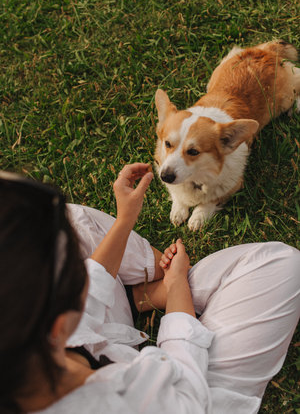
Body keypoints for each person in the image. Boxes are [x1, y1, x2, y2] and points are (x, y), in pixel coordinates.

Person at [0, 163, 299, 414]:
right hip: (194, 395)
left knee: (67, 217)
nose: (85, 269)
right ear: (59, 327)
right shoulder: (130, 400)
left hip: (103, 343)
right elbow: (182, 366)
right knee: (282, 263)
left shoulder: (26, 345)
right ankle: (152, 290)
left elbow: (90, 291)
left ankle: (141, 295)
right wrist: (176, 283)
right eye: (75, 271)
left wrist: (125, 218)